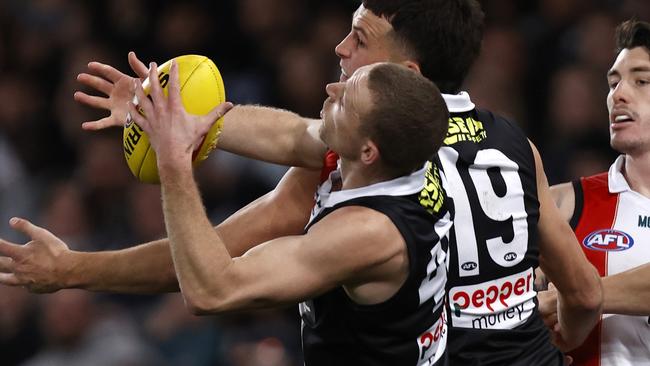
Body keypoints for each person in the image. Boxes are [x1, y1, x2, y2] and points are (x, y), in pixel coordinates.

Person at [0, 1, 602, 365]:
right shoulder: (507, 144)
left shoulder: (369, 207)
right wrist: (178, 113)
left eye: (359, 41)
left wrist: (173, 159)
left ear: (405, 74)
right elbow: (585, 295)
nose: (337, 54)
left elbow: (211, 277)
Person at [19, 62, 454, 365]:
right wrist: (159, 106)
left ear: (368, 151)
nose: (331, 88)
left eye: (345, 100)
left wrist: (173, 161)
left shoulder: (367, 233)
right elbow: (288, 134)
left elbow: (214, 289)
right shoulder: (386, 155)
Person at [540, 19, 650, 366]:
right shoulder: (562, 205)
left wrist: (578, 296)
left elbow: (555, 302)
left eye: (642, 80)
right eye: (613, 82)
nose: (618, 94)